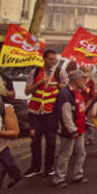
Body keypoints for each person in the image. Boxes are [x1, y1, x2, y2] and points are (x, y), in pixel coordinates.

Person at [24, 49, 68, 177]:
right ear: (44, 59)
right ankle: (35, 167)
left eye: (54, 59)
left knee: (51, 141)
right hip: (35, 112)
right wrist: (40, 82)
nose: (53, 61)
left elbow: (67, 88)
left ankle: (48, 167)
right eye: (50, 59)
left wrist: (56, 84)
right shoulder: (35, 72)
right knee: (35, 141)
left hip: (51, 113)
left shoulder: (60, 72)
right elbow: (27, 91)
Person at [52, 70, 90, 188]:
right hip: (70, 130)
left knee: (81, 152)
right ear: (77, 80)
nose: (84, 82)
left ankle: (77, 174)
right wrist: (72, 130)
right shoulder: (65, 94)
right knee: (65, 154)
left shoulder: (75, 92)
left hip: (80, 128)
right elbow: (65, 114)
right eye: (83, 79)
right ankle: (59, 178)